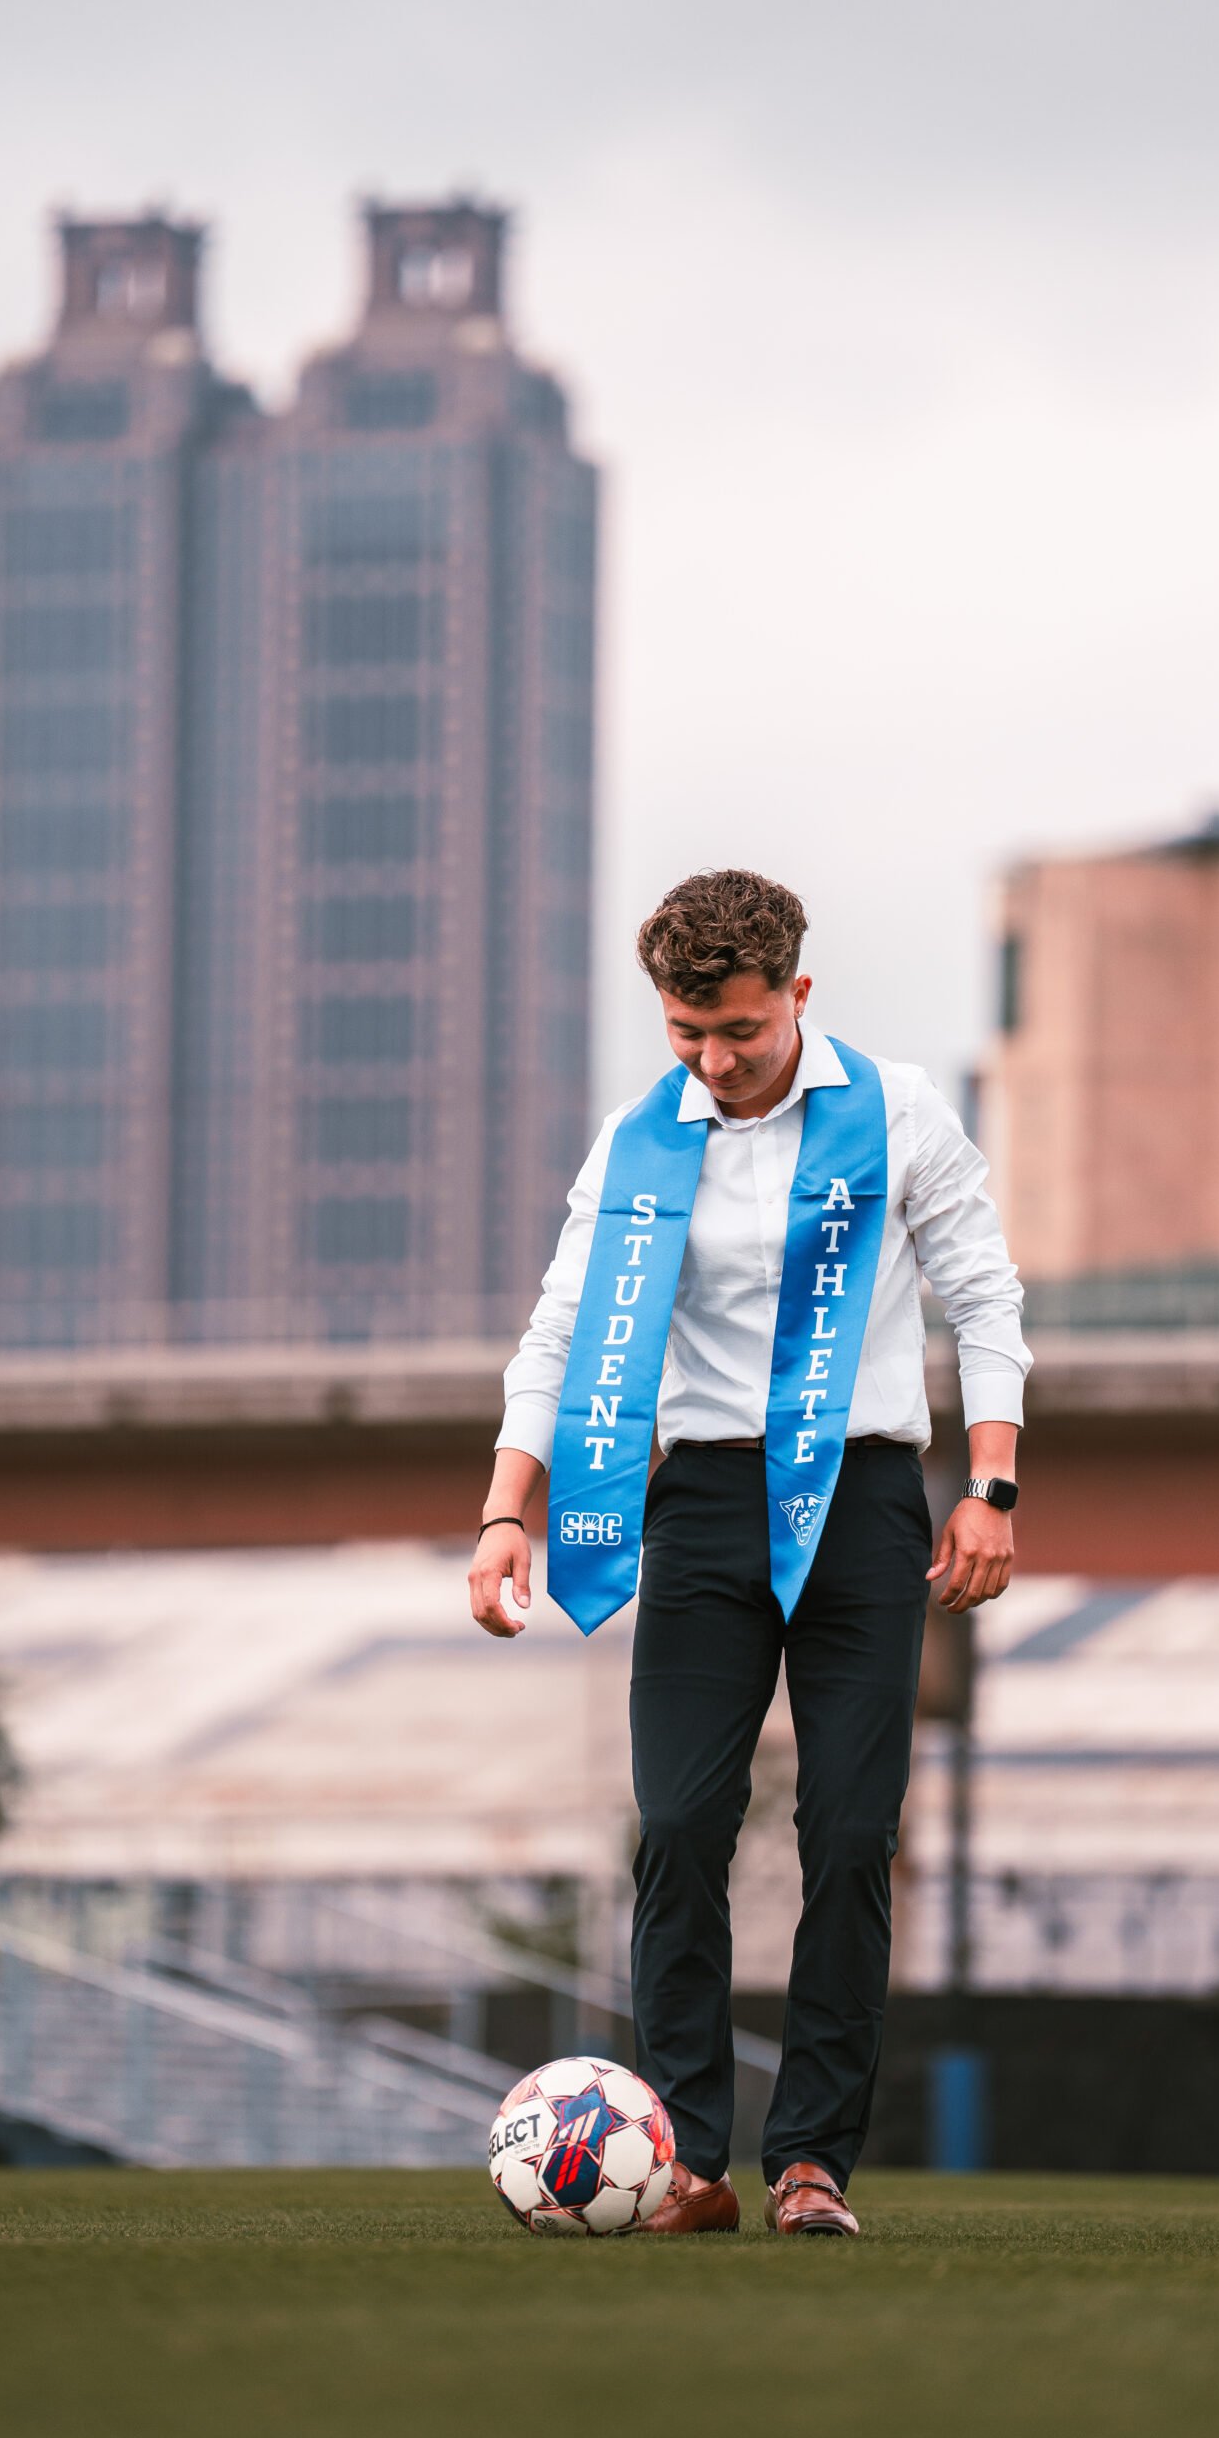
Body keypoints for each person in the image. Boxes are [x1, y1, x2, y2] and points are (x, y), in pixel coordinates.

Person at [469, 869, 1030, 2236]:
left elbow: (983, 1297)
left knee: (847, 1834)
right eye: (686, 1033)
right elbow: (558, 1333)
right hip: (706, 1506)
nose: (713, 1062)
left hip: (863, 1500)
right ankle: (689, 2161)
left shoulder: (896, 1111)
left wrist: (991, 1487)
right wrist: (503, 1511)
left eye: (739, 1030)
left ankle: (812, 2164)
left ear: (796, 994)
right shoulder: (635, 1144)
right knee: (675, 1829)